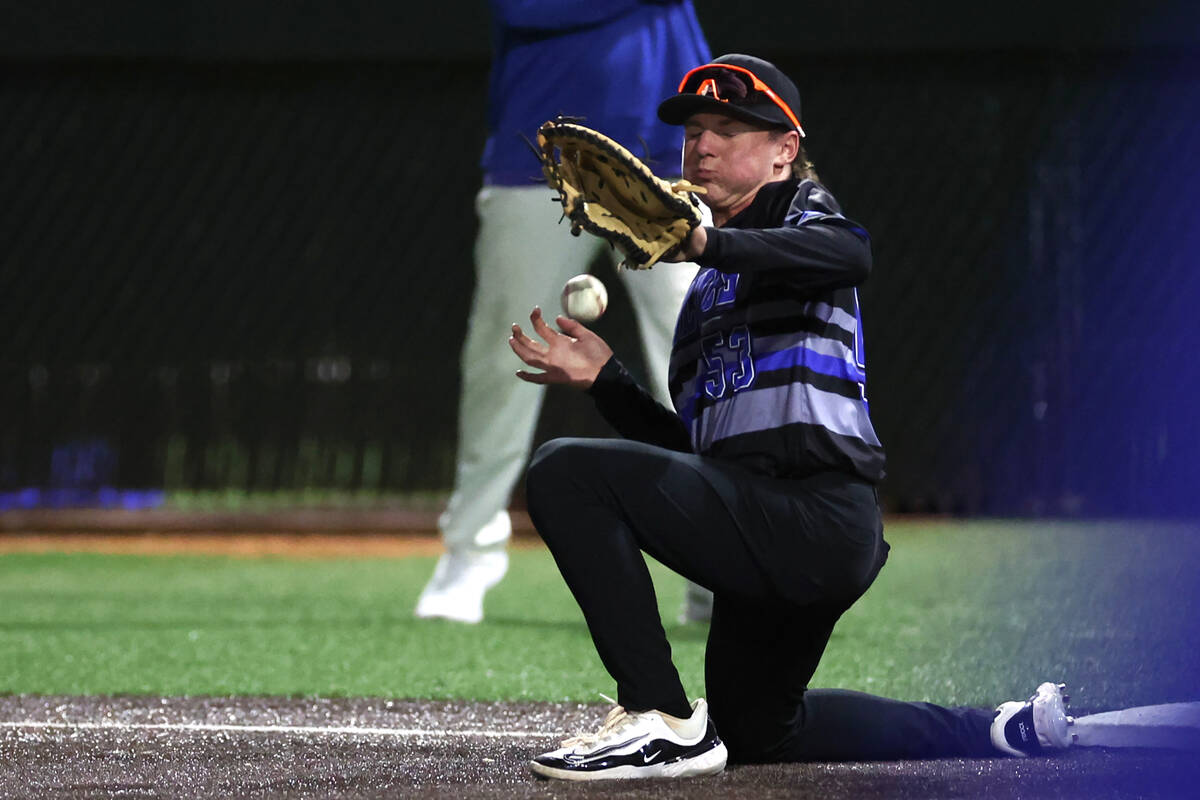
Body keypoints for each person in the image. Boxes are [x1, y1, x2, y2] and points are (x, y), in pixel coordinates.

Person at [508, 53, 1073, 780]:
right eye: (694, 131)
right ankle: (997, 727)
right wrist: (608, 383)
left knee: (563, 470)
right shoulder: (704, 302)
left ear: (784, 151)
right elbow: (698, 458)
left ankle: (660, 714)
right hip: (768, 526)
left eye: (729, 128)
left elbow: (848, 252)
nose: (701, 144)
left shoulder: (803, 217)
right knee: (758, 730)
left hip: (817, 515)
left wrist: (706, 241)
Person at [415, 0, 715, 625]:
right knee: (505, 357)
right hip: (540, 151)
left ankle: (716, 572)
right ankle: (467, 554)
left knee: (703, 363)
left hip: (664, 157)